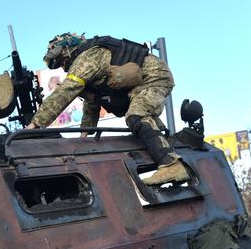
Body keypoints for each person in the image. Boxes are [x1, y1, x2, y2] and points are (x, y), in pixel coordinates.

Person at [25, 33, 189, 186]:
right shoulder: (89, 61)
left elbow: (65, 91)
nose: (62, 67)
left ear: (67, 51)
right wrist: (84, 134)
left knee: (136, 115)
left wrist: (35, 124)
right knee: (139, 116)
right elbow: (92, 102)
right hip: (140, 84)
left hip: (152, 77)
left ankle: (170, 164)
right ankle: (167, 146)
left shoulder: (87, 58)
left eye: (61, 62)